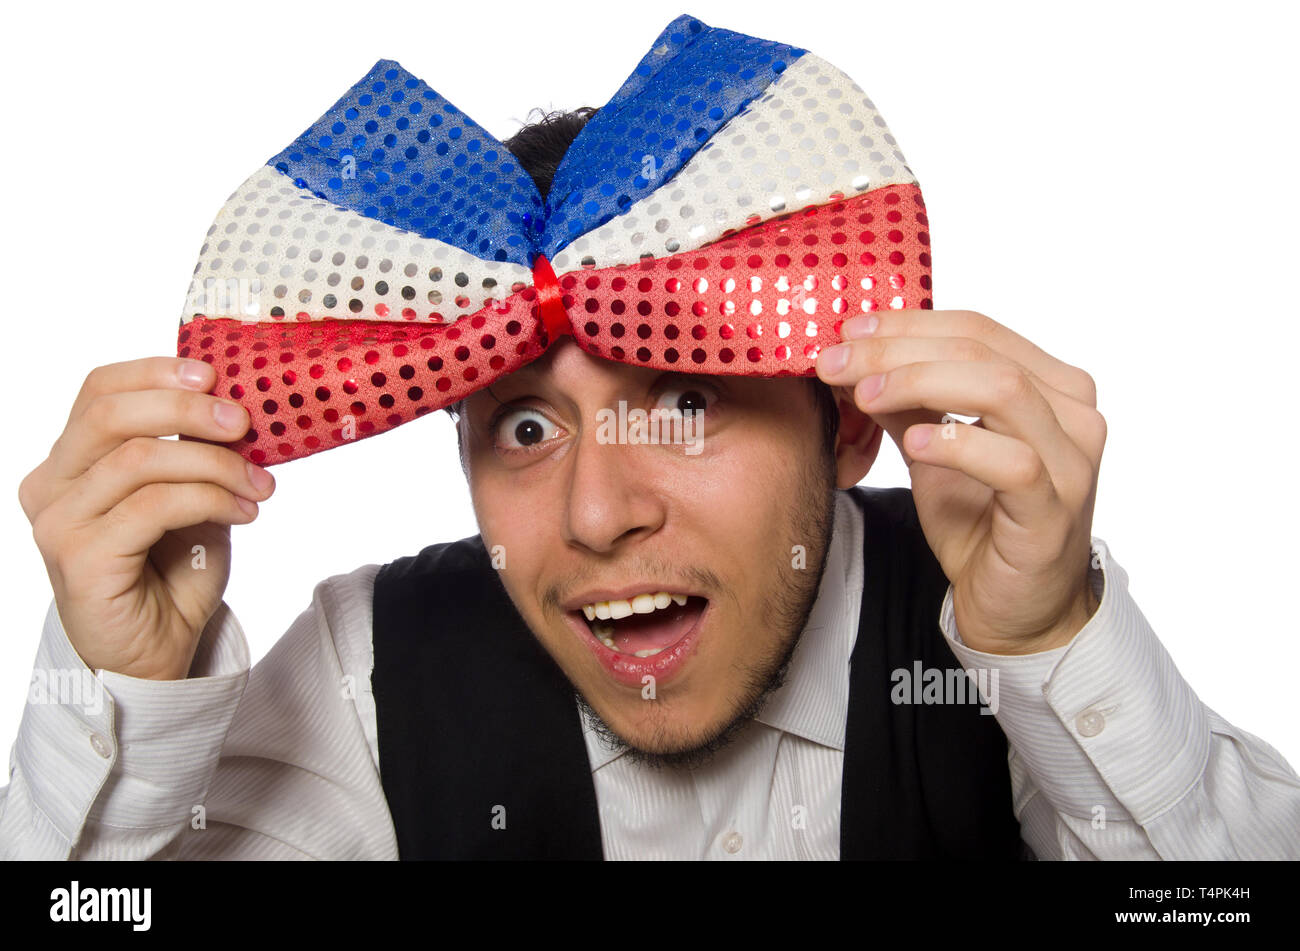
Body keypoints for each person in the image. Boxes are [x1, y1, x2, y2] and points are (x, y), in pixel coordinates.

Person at [5, 99, 1299, 861]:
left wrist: (1053, 639)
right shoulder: (368, 667)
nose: (596, 511)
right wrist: (116, 695)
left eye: (684, 401)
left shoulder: (997, 623)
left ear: (849, 428)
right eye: (522, 428)